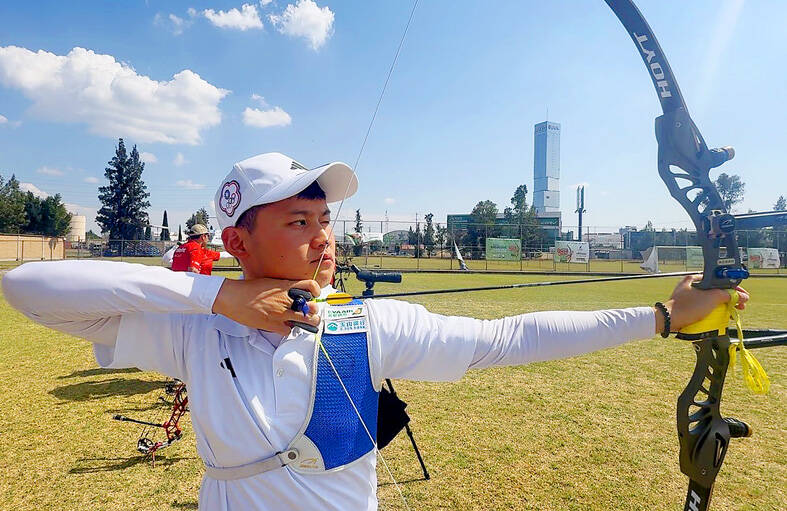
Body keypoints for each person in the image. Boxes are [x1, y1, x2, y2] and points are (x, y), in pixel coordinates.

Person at [2, 152, 747, 511]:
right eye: (297, 221)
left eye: (325, 220)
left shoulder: (366, 325)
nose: (323, 239)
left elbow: (507, 339)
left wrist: (657, 317)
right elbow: (28, 287)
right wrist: (218, 297)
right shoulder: (194, 330)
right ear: (239, 243)